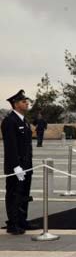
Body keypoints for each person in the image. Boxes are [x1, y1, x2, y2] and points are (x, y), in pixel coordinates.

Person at [1, 90, 37, 235]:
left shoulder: (24, 121)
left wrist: (27, 165)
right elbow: (11, 146)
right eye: (23, 101)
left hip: (27, 165)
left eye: (26, 101)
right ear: (15, 104)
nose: (27, 103)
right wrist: (16, 166)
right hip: (16, 166)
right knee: (14, 194)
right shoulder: (10, 121)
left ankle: (22, 220)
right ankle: (13, 223)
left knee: (24, 194)